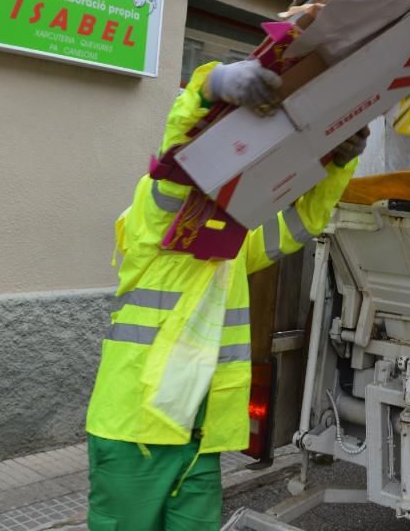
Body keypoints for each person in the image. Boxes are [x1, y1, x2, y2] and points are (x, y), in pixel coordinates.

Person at [85, 58, 369, 530]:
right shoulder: (155, 222)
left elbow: (302, 224)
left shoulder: (230, 246)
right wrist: (211, 86)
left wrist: (338, 162)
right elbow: (175, 162)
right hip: (134, 434)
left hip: (200, 442)